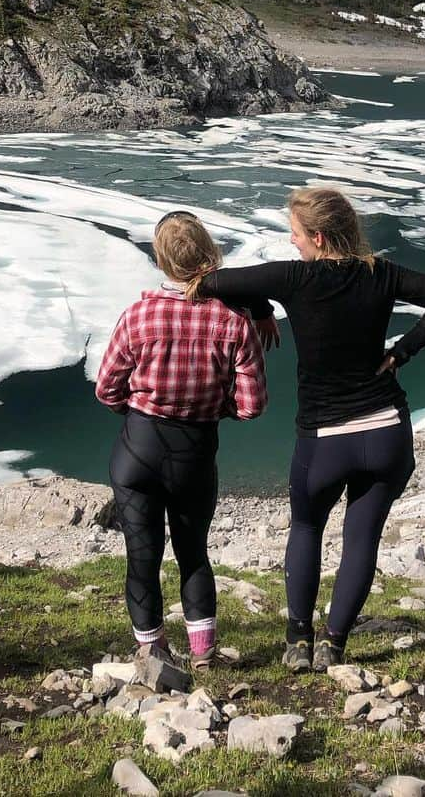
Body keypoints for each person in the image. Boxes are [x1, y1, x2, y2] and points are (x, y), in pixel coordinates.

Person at [201, 186, 425, 672]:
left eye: (297, 234)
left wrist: (261, 310)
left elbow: (216, 283)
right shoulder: (380, 274)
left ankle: (298, 641)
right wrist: (402, 352)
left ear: (319, 237)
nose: (293, 242)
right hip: (386, 432)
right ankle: (334, 643)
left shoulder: (295, 279)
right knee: (361, 541)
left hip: (324, 440)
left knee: (306, 527)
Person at [95, 210, 269, 670]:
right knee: (193, 552)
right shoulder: (233, 322)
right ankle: (204, 653)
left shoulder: (137, 315)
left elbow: (106, 387)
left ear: (160, 260)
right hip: (194, 452)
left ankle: (152, 650)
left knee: (142, 553)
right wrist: (210, 408)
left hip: (138, 448)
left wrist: (137, 410)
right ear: (209, 255)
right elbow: (251, 406)